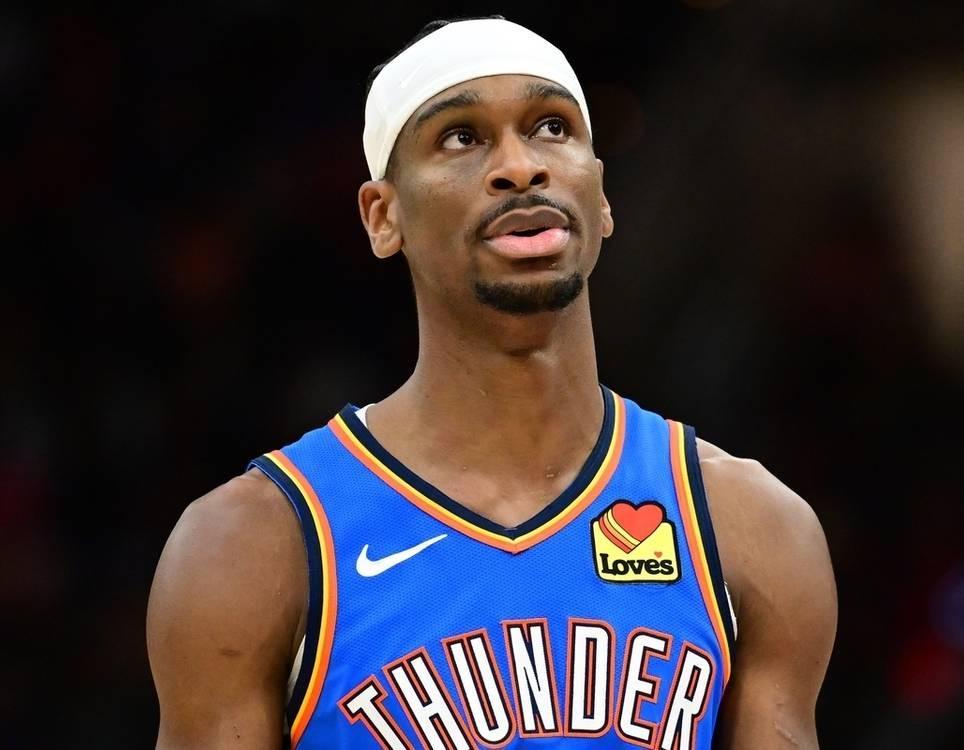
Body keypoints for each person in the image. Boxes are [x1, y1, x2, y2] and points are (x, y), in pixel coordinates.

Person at [147, 16, 836, 749]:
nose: (520, 166)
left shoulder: (748, 526)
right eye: (461, 137)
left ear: (602, 196)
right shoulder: (252, 544)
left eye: (551, 128)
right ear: (383, 216)